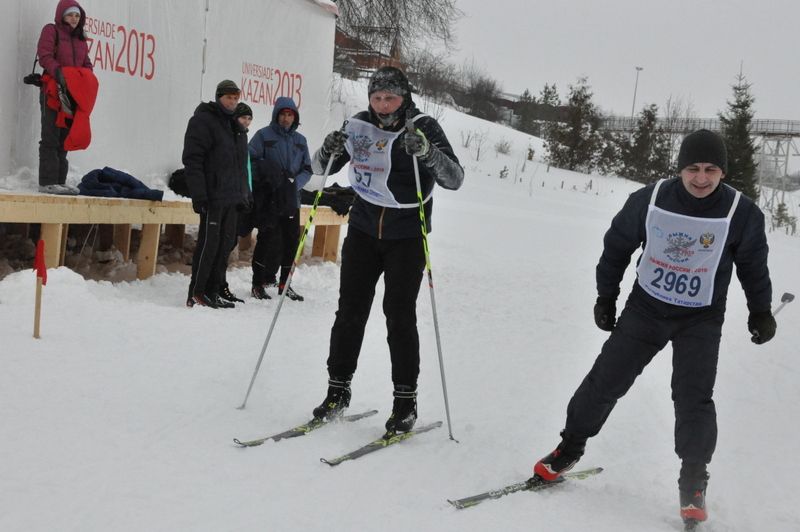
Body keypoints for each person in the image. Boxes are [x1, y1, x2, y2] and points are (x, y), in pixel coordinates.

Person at [532, 129, 776, 526]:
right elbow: (616, 249)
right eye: (693, 168)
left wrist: (761, 311)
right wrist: (606, 297)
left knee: (693, 397)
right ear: (680, 168)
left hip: (700, 317)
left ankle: (694, 482)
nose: (701, 178)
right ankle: (568, 448)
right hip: (646, 309)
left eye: (711, 169)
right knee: (605, 380)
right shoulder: (650, 200)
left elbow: (753, 265)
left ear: (723, 172)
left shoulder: (741, 212)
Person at [309, 66, 464, 434]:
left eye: (390, 97)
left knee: (398, 314)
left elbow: (454, 178)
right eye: (376, 97)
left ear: (404, 96)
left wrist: (426, 151)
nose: (382, 105)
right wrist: (327, 149)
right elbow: (318, 168)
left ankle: (405, 403)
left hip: (407, 235)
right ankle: (337, 391)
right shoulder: (359, 123)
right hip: (363, 230)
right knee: (349, 311)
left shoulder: (422, 125)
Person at [182, 80, 250, 308]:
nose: (232, 102)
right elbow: (193, 159)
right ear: (219, 97)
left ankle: (213, 290)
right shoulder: (203, 121)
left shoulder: (235, 126)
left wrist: (244, 194)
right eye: (228, 97)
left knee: (225, 246)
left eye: (235, 98)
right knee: (209, 245)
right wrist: (199, 195)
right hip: (213, 196)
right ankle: (197, 292)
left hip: (232, 197)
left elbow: (242, 166)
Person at [247, 97, 312, 301]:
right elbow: (249, 160)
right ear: (276, 115)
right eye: (283, 114)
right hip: (270, 199)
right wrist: (268, 177)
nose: (286, 118)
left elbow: (307, 169)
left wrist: (294, 185)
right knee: (266, 241)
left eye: (290, 114)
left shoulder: (300, 140)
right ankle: (258, 284)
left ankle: (285, 284)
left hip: (291, 200)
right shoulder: (263, 135)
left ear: (295, 117)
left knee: (291, 242)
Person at [36, 0, 93, 195]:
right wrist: (58, 71)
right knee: (50, 134)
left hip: (71, 93)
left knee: (64, 137)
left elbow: (87, 63)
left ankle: (60, 180)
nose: (74, 19)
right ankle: (47, 181)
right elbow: (44, 55)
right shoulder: (51, 31)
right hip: (52, 91)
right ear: (61, 15)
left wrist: (86, 78)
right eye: (70, 15)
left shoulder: (80, 39)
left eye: (77, 15)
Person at [217, 102, 256, 305]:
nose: (246, 122)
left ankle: (220, 283)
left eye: (249, 119)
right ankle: (217, 283)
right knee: (223, 244)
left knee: (230, 241)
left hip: (240, 198)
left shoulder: (243, 138)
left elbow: (246, 171)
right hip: (227, 198)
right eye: (243, 118)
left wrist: (247, 193)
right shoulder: (231, 138)